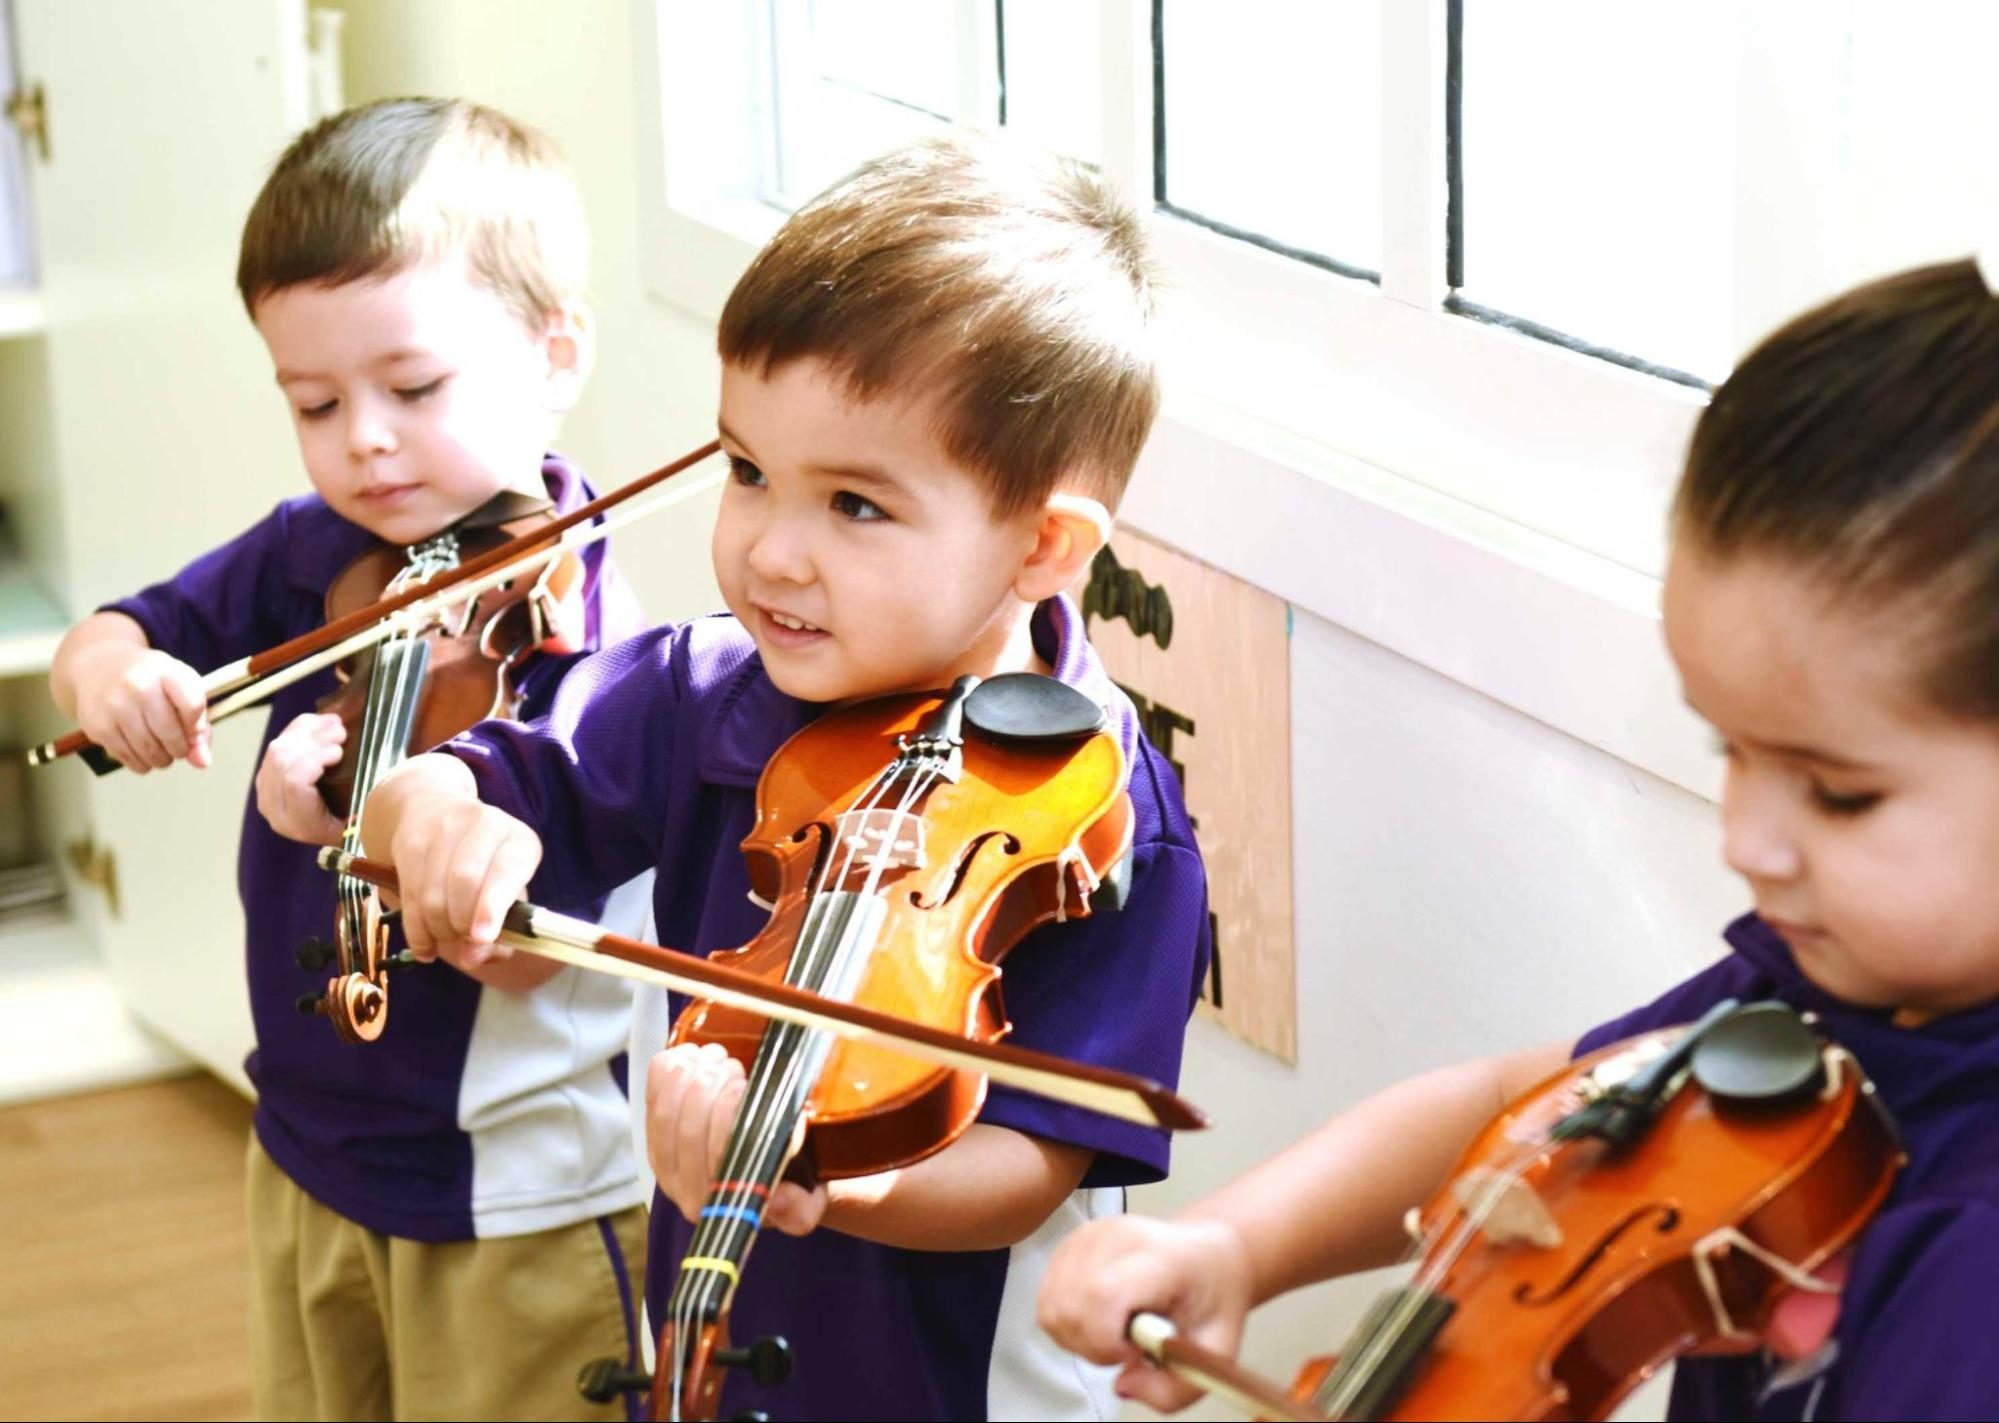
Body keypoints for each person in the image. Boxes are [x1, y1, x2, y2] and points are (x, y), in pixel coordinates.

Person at [1036, 256, 1999, 1421]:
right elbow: (1525, 1109)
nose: (1747, 841)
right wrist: (1238, 1243)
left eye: (1837, 794)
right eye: (1730, 751)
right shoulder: (1825, 988)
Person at [360, 134, 1214, 1421]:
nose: (770, 552)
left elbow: (1029, 1164)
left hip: (957, 1388)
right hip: (719, 1343)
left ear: (1041, 545)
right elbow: (467, 780)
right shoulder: (704, 689)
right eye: (748, 472)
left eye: (854, 506)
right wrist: (433, 813)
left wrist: (827, 1182)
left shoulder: (1106, 823)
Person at [48, 97, 651, 1420]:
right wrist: (120, 677)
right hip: (305, 1142)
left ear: (556, 352)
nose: (361, 439)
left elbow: (516, 946)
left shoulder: (596, 651)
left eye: (413, 388)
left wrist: (347, 815)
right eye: (313, 401)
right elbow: (109, 635)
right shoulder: (315, 547)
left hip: (509, 1198)